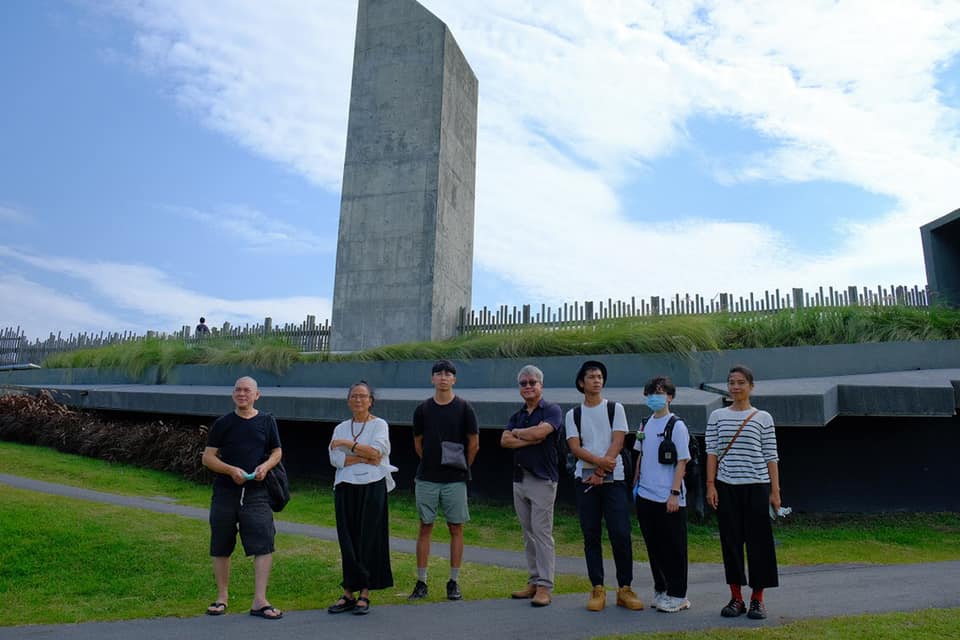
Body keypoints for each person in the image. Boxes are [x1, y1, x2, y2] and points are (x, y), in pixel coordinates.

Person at [201, 376, 283, 620]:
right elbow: (208, 457)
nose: (242, 394)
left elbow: (277, 451)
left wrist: (265, 467)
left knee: (263, 543)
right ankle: (222, 597)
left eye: (247, 390)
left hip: (257, 493)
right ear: (233, 395)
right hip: (226, 492)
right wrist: (230, 470)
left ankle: (260, 601)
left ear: (257, 395)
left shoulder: (267, 421)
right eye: (238, 390)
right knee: (221, 544)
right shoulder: (223, 423)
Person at [565, 360, 644, 612]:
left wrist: (601, 470)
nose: (597, 380)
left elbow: (618, 442)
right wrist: (599, 466)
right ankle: (597, 588)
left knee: (620, 533)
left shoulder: (615, 408)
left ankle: (625, 588)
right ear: (581, 382)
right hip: (585, 481)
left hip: (614, 481)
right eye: (591, 377)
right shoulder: (573, 414)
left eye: (600, 376)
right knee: (591, 535)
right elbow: (575, 447)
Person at [705, 365, 781, 620]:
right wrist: (710, 484)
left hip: (757, 486)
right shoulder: (717, 416)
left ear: (751, 386)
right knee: (731, 543)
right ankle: (736, 597)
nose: (735, 387)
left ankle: (757, 599)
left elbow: (771, 455)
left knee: (760, 544)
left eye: (740, 382)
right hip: (726, 487)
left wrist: (775, 491)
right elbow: (712, 452)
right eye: (731, 382)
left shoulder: (763, 417)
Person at [409, 359, 480, 601]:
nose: (443, 377)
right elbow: (418, 443)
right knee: (425, 526)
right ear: (432, 379)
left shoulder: (464, 408)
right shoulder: (423, 409)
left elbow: (474, 443)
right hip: (427, 477)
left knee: (456, 528)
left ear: (454, 379)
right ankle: (421, 581)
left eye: (448, 374)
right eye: (438, 373)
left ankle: (454, 581)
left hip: (454, 479)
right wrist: (431, 461)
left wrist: (461, 467)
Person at [327, 381, 397, 615]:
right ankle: (348, 590)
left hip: (372, 485)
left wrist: (348, 445)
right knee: (347, 538)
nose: (358, 400)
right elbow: (335, 459)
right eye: (354, 396)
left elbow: (377, 453)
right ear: (348, 401)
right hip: (346, 485)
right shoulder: (340, 427)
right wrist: (362, 456)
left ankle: (365, 591)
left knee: (369, 538)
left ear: (371, 401)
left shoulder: (379, 425)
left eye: (363, 396)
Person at [500, 364, 563, 607]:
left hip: (542, 480)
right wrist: (529, 435)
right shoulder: (518, 415)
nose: (527, 386)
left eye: (532, 382)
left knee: (542, 533)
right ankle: (534, 581)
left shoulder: (552, 410)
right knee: (528, 535)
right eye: (523, 383)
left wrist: (520, 434)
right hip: (520, 480)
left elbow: (541, 434)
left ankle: (545, 587)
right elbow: (504, 441)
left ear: (541, 385)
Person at [633, 376, 691, 613]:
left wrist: (674, 493)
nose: (654, 397)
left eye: (660, 392)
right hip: (646, 495)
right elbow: (640, 454)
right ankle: (661, 589)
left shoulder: (676, 425)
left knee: (674, 547)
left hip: (668, 496)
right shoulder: (645, 424)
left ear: (669, 396)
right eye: (650, 393)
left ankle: (678, 595)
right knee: (654, 546)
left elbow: (682, 461)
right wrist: (635, 483)